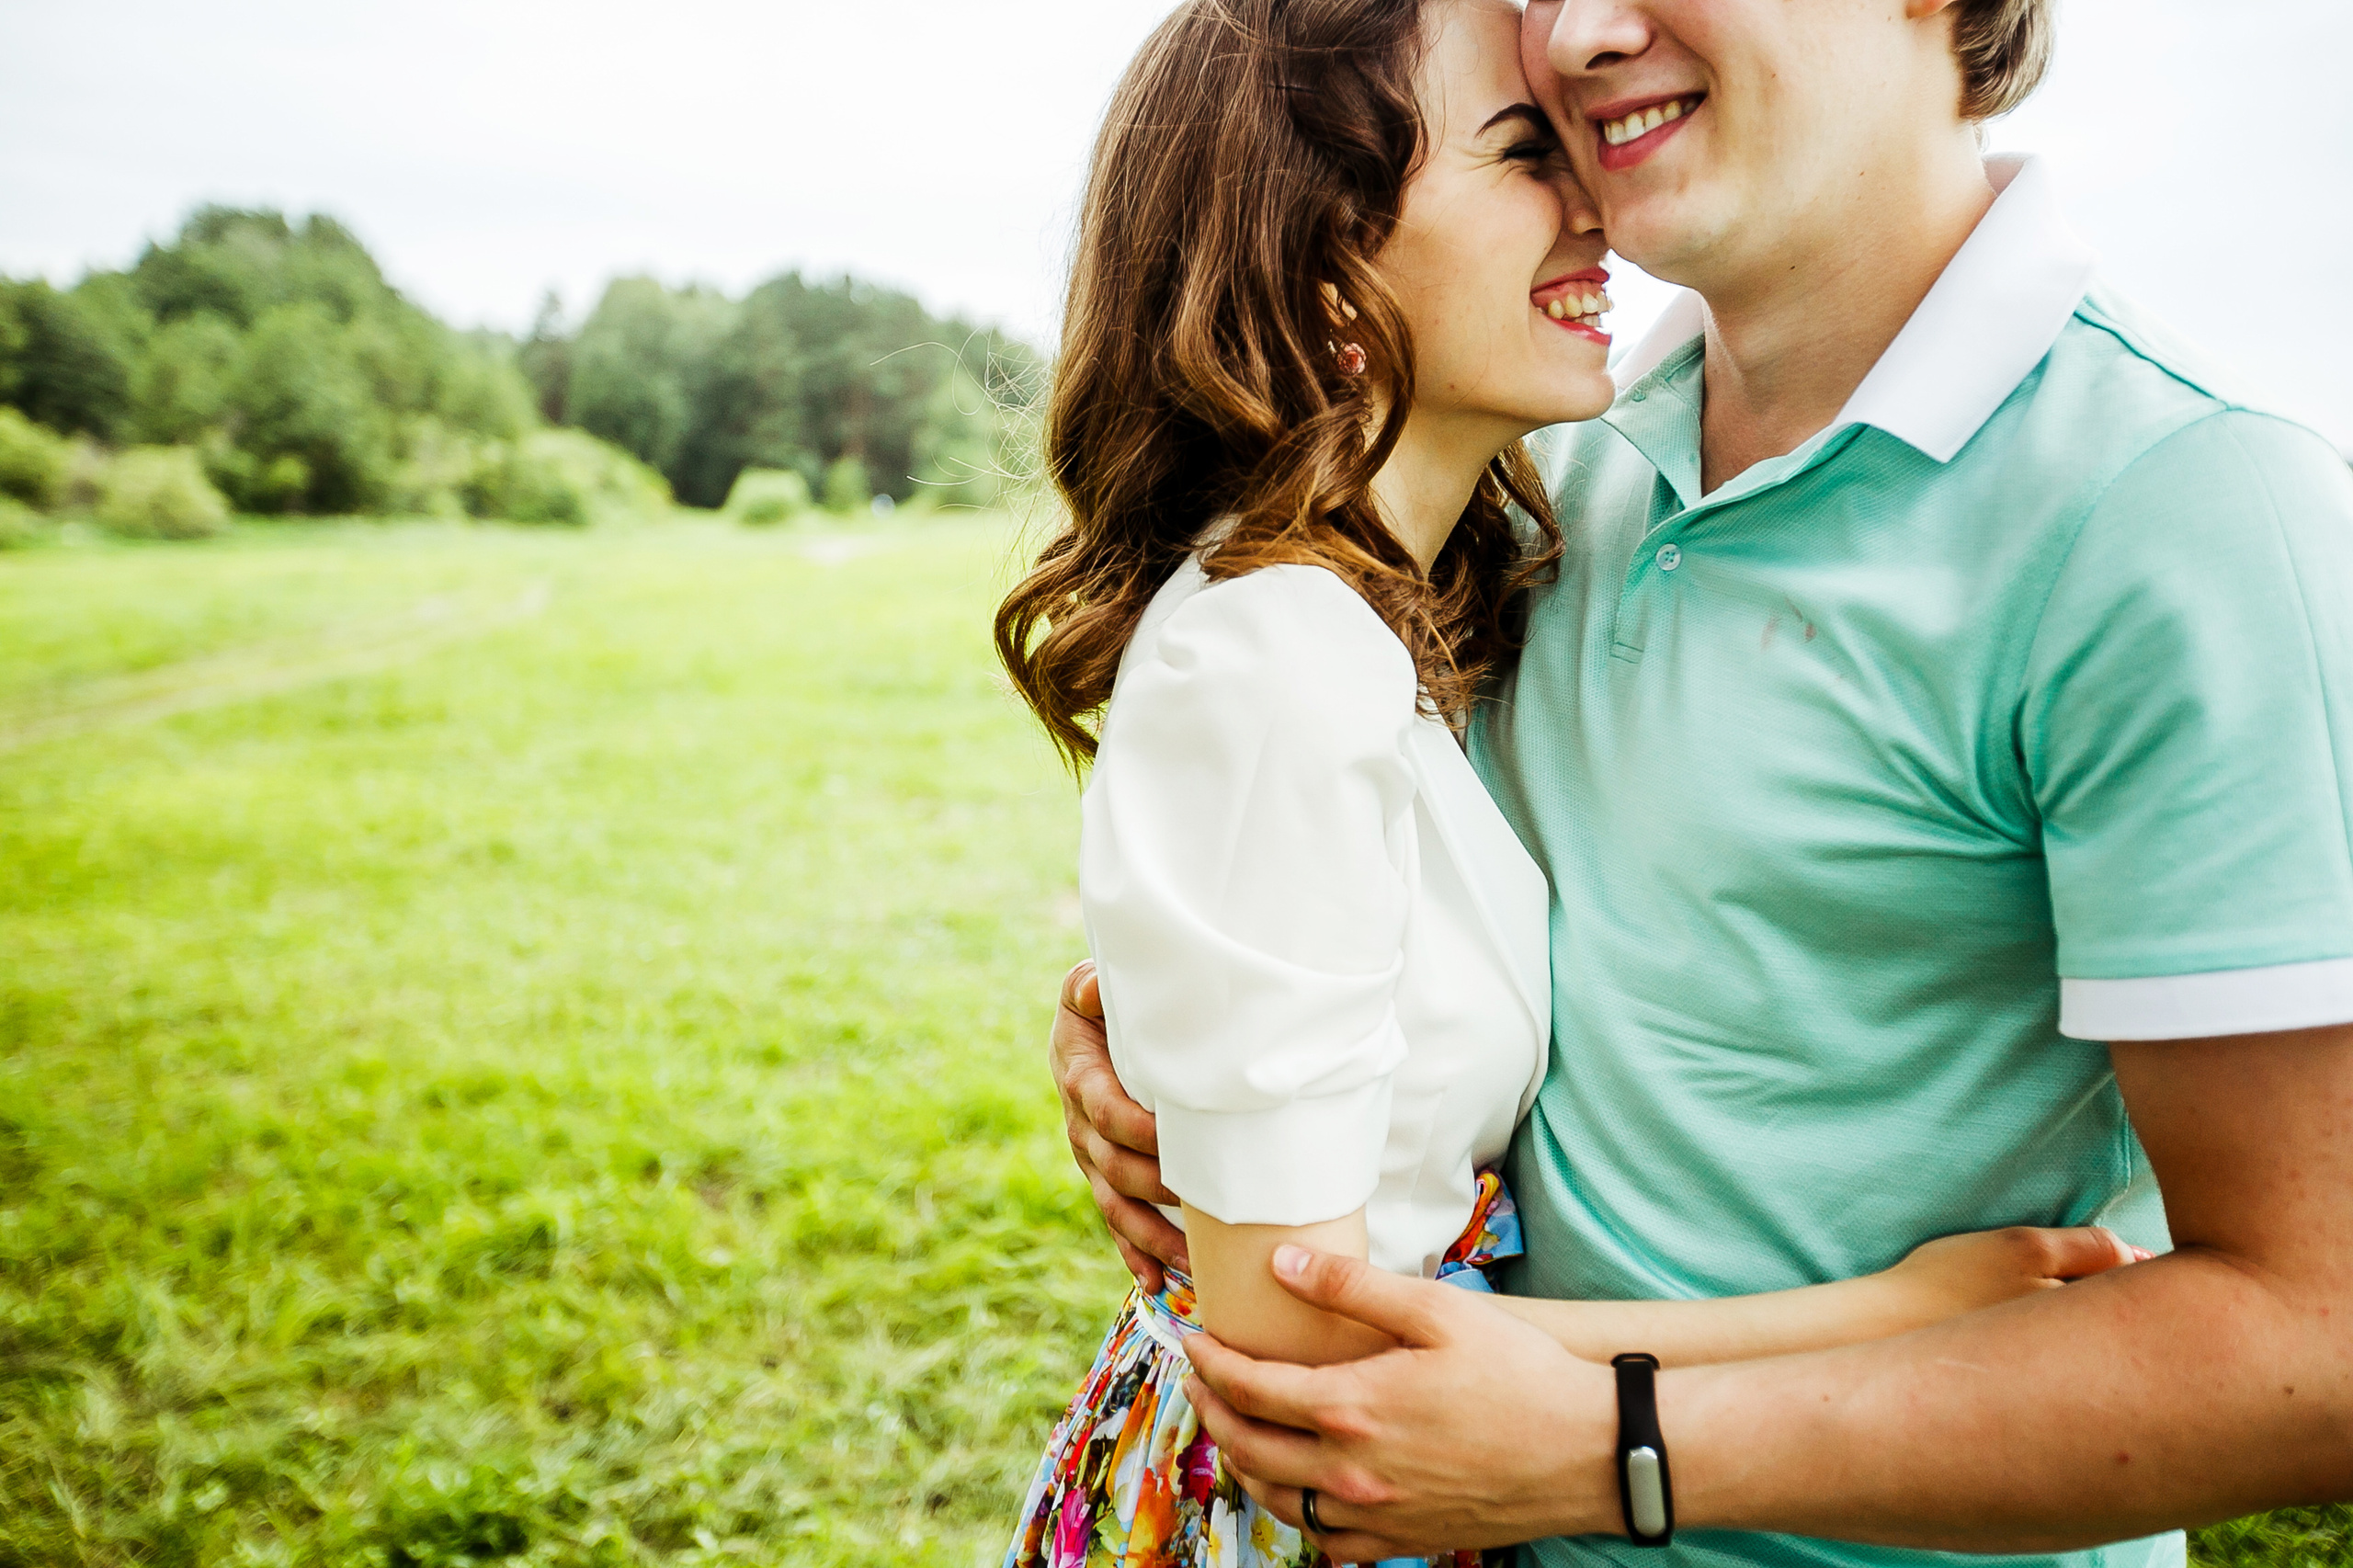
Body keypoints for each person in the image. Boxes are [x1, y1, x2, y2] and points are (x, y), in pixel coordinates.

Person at [1052, 1, 2353, 1565]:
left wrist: (1628, 1445)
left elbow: (2322, 1340)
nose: (1583, 31)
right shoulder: (1559, 463)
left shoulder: (2185, 510)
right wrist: (1166, 1059)